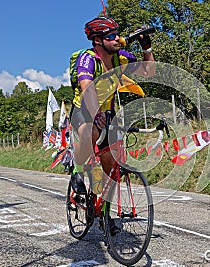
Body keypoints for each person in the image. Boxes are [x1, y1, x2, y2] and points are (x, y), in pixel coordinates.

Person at [69, 16, 155, 214]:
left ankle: (105, 213)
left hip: (108, 112)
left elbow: (148, 71)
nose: (118, 39)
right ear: (98, 40)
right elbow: (87, 88)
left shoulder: (119, 57)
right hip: (83, 110)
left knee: (111, 165)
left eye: (117, 34)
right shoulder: (88, 58)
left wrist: (146, 47)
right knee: (88, 132)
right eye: (111, 36)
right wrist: (96, 114)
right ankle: (77, 171)